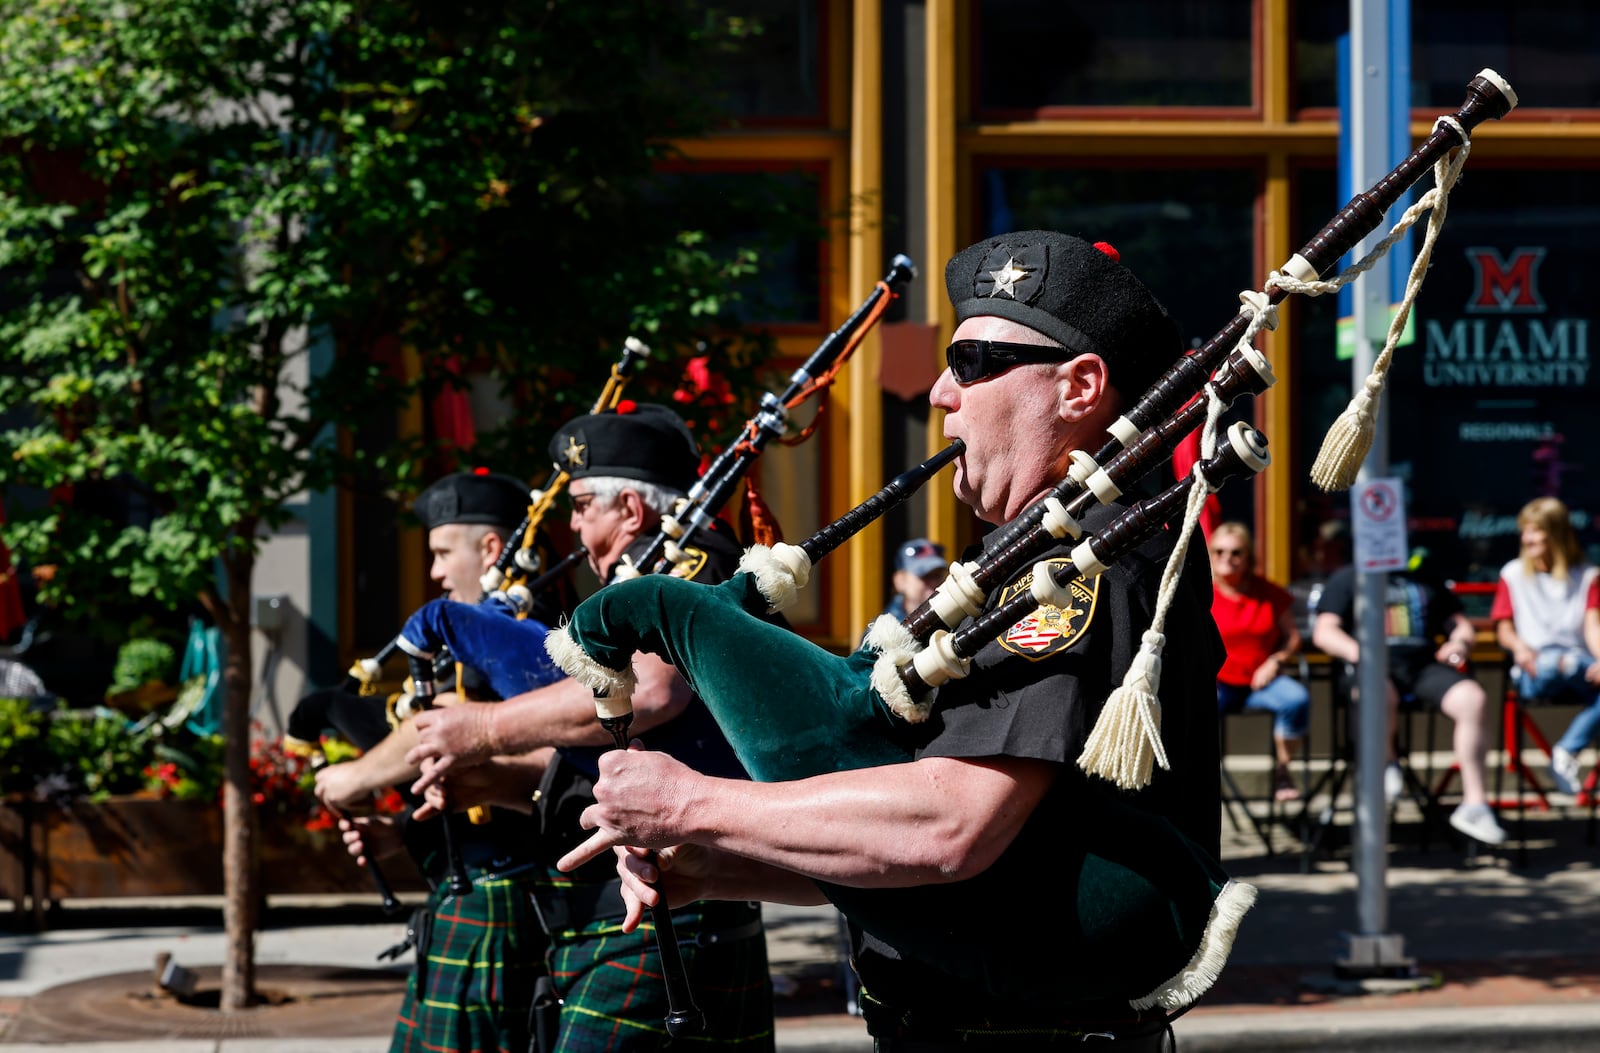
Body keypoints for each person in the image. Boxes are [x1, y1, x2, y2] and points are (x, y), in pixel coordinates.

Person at [555, 230, 1225, 1050]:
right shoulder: (1025, 559)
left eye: (973, 361)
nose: (943, 390)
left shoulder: (1088, 566)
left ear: (1079, 387)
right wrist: (723, 854)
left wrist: (695, 802)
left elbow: (951, 827)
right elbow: (941, 857)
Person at [405, 403, 776, 1053]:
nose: (570, 528)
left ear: (631, 510)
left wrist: (486, 728)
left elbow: (649, 691)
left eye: (581, 506)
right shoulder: (648, 578)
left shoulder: (685, 568)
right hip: (655, 904)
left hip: (666, 909)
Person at [311, 469, 555, 1053]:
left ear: (492, 550)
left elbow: (453, 722)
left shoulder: (522, 638)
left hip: (505, 900)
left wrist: (355, 777)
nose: (436, 572)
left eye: (445, 552)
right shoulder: (473, 638)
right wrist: (397, 833)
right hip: (466, 893)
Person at [1311, 558, 1506, 846]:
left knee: (1472, 699)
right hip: (1370, 668)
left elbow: (1461, 626)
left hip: (1423, 665)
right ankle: (1387, 763)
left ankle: (1474, 806)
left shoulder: (1425, 577)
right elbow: (1324, 631)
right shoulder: (1348, 577)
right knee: (1376, 690)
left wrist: (1459, 644)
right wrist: (1360, 654)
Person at [1490, 496, 1600, 796]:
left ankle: (1566, 751)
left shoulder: (1587, 575)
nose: (1527, 538)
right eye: (1525, 531)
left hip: (1579, 668)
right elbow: (1504, 630)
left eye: (1535, 530)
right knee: (1555, 662)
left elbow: (1593, 627)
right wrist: (1520, 648)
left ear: (1556, 533)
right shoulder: (1512, 574)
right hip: (1534, 670)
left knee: (1573, 663)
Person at [1209, 521, 1310, 803]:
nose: (1227, 559)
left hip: (1260, 680)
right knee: (1192, 709)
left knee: (1296, 699)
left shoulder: (1267, 593)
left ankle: (1283, 771)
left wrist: (1276, 661)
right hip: (1218, 681)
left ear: (1249, 556)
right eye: (1219, 552)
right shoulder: (1202, 593)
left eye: (1235, 552)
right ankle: (1200, 781)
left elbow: (1293, 638)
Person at [880, 537, 948, 622]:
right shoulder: (883, 631)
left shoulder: (955, 619)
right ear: (900, 581)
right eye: (925, 576)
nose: (933, 583)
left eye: (937, 575)